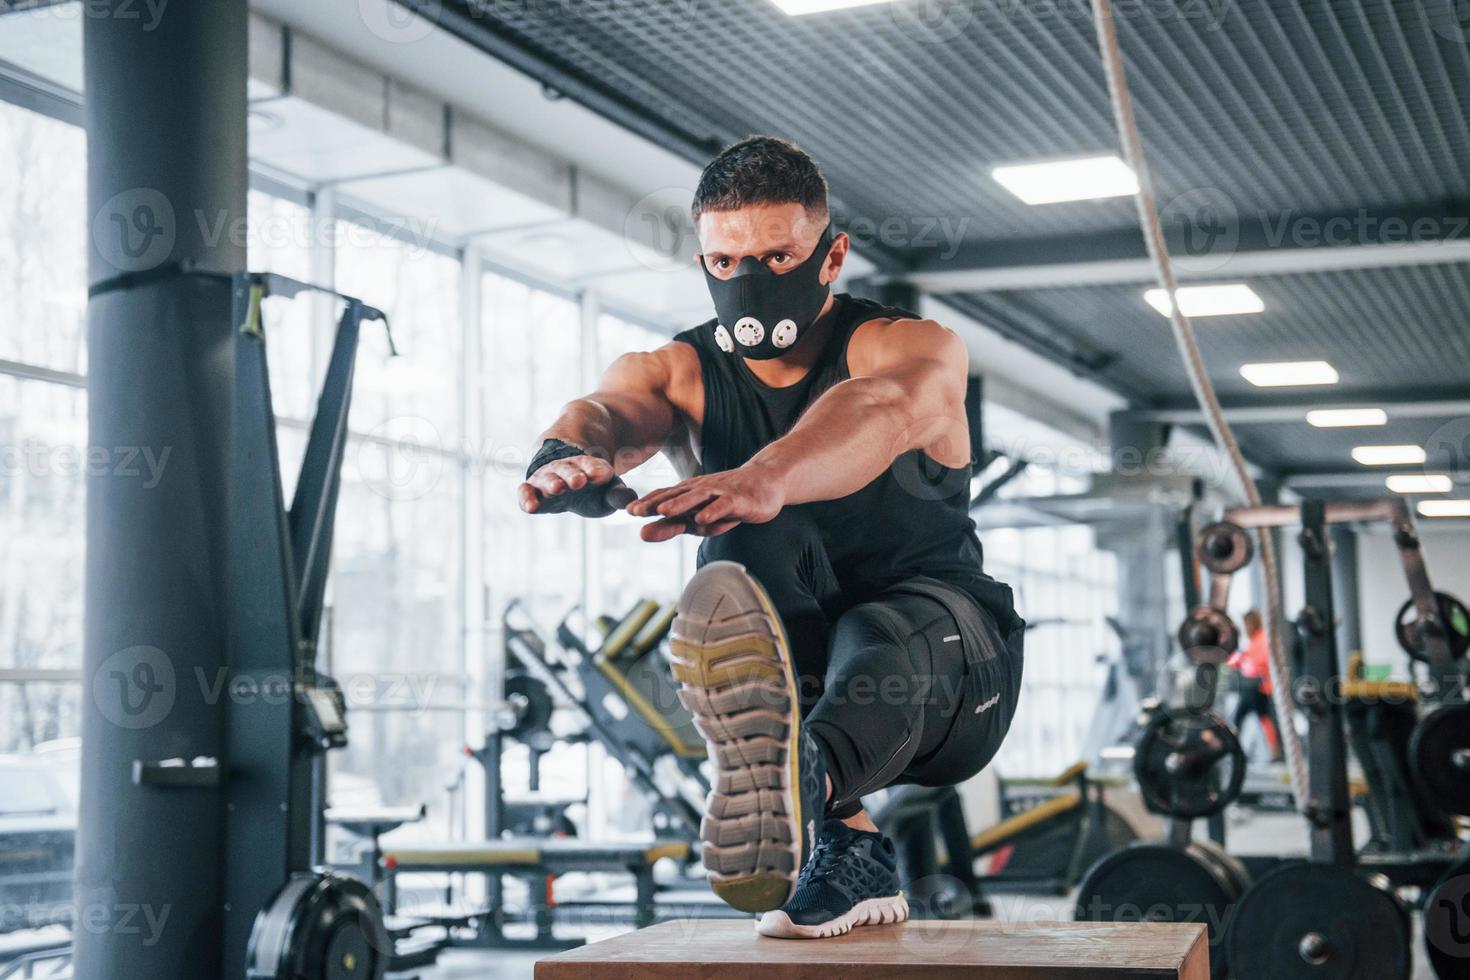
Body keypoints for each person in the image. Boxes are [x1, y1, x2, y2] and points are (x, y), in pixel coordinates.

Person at [517, 135, 1023, 939]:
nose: (749, 282)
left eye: (779, 257)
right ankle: (837, 830)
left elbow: (881, 410)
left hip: (956, 671)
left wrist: (767, 475)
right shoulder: (679, 370)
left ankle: (795, 779)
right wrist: (571, 451)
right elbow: (612, 408)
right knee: (741, 551)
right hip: (820, 682)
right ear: (703, 260)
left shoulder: (911, 348)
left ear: (832, 257)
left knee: (862, 612)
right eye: (726, 263)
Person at [1227, 609, 1281, 762]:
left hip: (1257, 687)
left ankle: (1274, 750)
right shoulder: (1254, 641)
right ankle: (1232, 749)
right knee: (1242, 719)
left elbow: (1263, 662)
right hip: (1250, 687)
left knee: (1263, 719)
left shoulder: (1262, 639)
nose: (1246, 628)